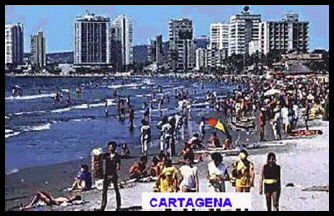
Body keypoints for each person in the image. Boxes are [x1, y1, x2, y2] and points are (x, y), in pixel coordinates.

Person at [96, 141, 121, 211]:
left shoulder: (117, 156)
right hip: (106, 175)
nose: (110, 149)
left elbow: (118, 167)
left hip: (113, 174)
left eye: (111, 147)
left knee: (116, 190)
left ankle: (118, 206)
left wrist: (113, 174)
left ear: (114, 148)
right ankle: (103, 206)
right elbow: (100, 159)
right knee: (104, 191)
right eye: (109, 147)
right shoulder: (106, 155)